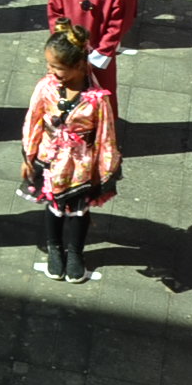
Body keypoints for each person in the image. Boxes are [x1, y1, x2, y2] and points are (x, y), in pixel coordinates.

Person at [20, 23, 121, 285]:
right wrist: (28, 157)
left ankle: (75, 252)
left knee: (79, 210)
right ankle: (55, 248)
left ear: (79, 66)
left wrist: (104, 170)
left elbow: (105, 135)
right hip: (51, 159)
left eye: (57, 68)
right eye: (50, 66)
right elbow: (33, 121)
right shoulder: (45, 87)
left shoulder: (97, 99)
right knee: (54, 206)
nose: (51, 72)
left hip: (81, 164)